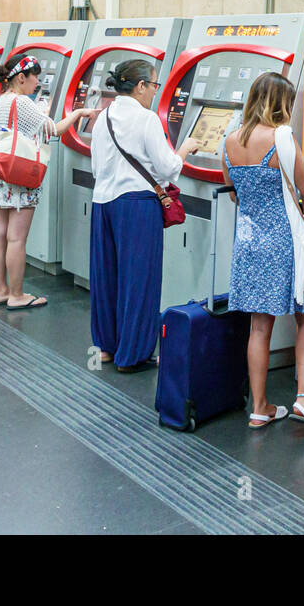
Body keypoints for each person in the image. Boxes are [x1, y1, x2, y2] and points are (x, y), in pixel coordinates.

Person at [221, 72, 304, 430]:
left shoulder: (229, 141)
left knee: (259, 326)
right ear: (279, 103)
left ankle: (260, 407)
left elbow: (233, 193)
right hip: (284, 242)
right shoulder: (281, 137)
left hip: (249, 243)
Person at [89, 59, 199, 372]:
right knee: (139, 280)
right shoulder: (147, 119)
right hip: (137, 205)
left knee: (106, 277)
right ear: (140, 86)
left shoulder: (103, 117)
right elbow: (167, 169)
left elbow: (97, 168)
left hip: (103, 203)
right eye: (154, 85)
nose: (154, 91)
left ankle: (107, 348)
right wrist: (186, 149)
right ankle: (133, 355)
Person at [0, 53, 96, 311]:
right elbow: (54, 130)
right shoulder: (23, 103)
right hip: (20, 176)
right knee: (17, 239)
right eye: (36, 77)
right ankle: (17, 295)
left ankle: (0, 291)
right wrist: (79, 112)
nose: (38, 82)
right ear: (21, 78)